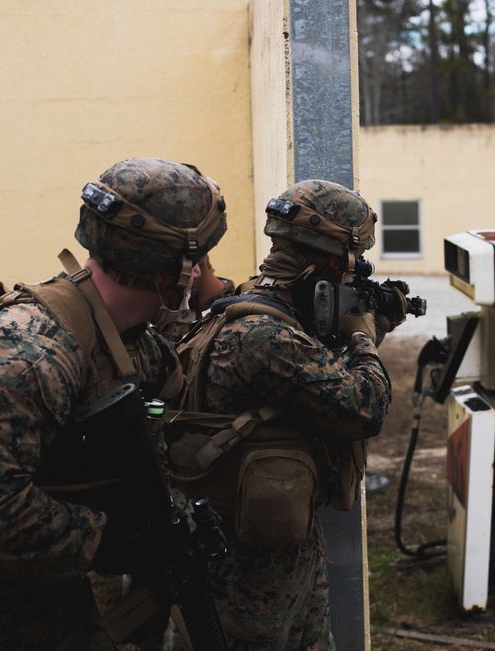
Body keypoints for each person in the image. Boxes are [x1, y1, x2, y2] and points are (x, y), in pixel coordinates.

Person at [0, 157, 228, 651]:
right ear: (174, 270)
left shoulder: (127, 340)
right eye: (199, 260)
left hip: (45, 603)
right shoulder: (32, 353)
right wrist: (108, 540)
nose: (202, 273)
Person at [168, 179, 407, 650]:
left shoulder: (259, 302)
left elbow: (312, 375)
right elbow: (365, 408)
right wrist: (363, 336)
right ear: (336, 260)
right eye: (353, 260)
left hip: (278, 549)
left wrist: (368, 319)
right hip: (249, 574)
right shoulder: (264, 336)